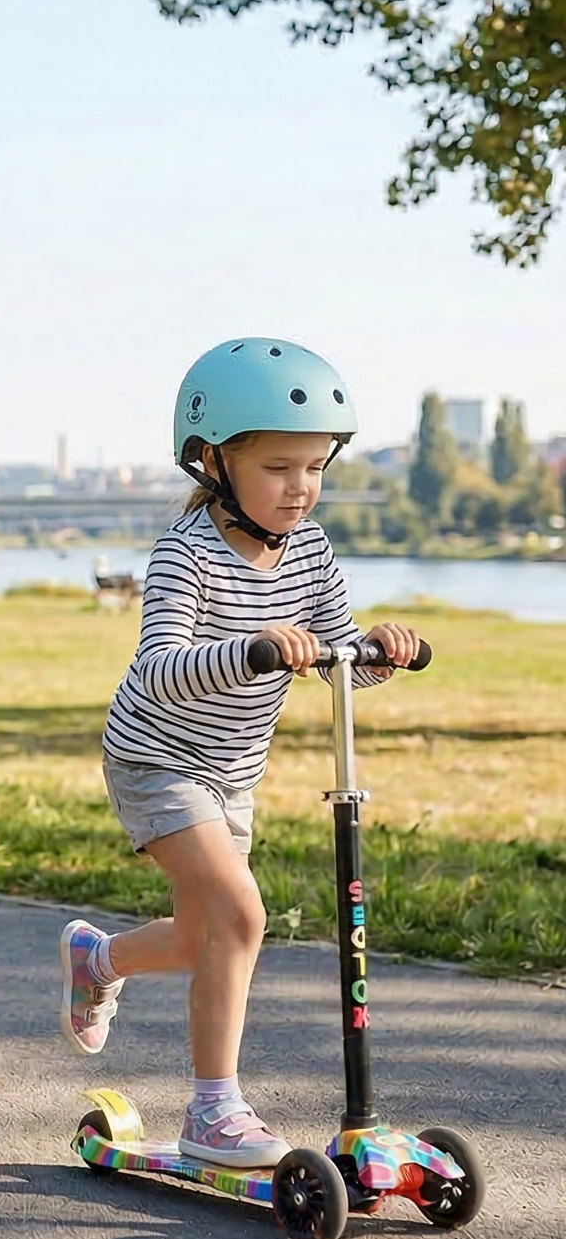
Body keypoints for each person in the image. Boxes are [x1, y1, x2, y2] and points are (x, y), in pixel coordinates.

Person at [58, 339, 419, 1167]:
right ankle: (213, 1112)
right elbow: (157, 668)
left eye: (316, 468)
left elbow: (339, 664)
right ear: (216, 460)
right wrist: (252, 650)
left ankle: (98, 959)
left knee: (200, 938)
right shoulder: (185, 554)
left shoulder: (313, 553)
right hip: (154, 759)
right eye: (281, 467)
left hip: (230, 774)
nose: (301, 487)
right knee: (243, 916)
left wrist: (379, 654)